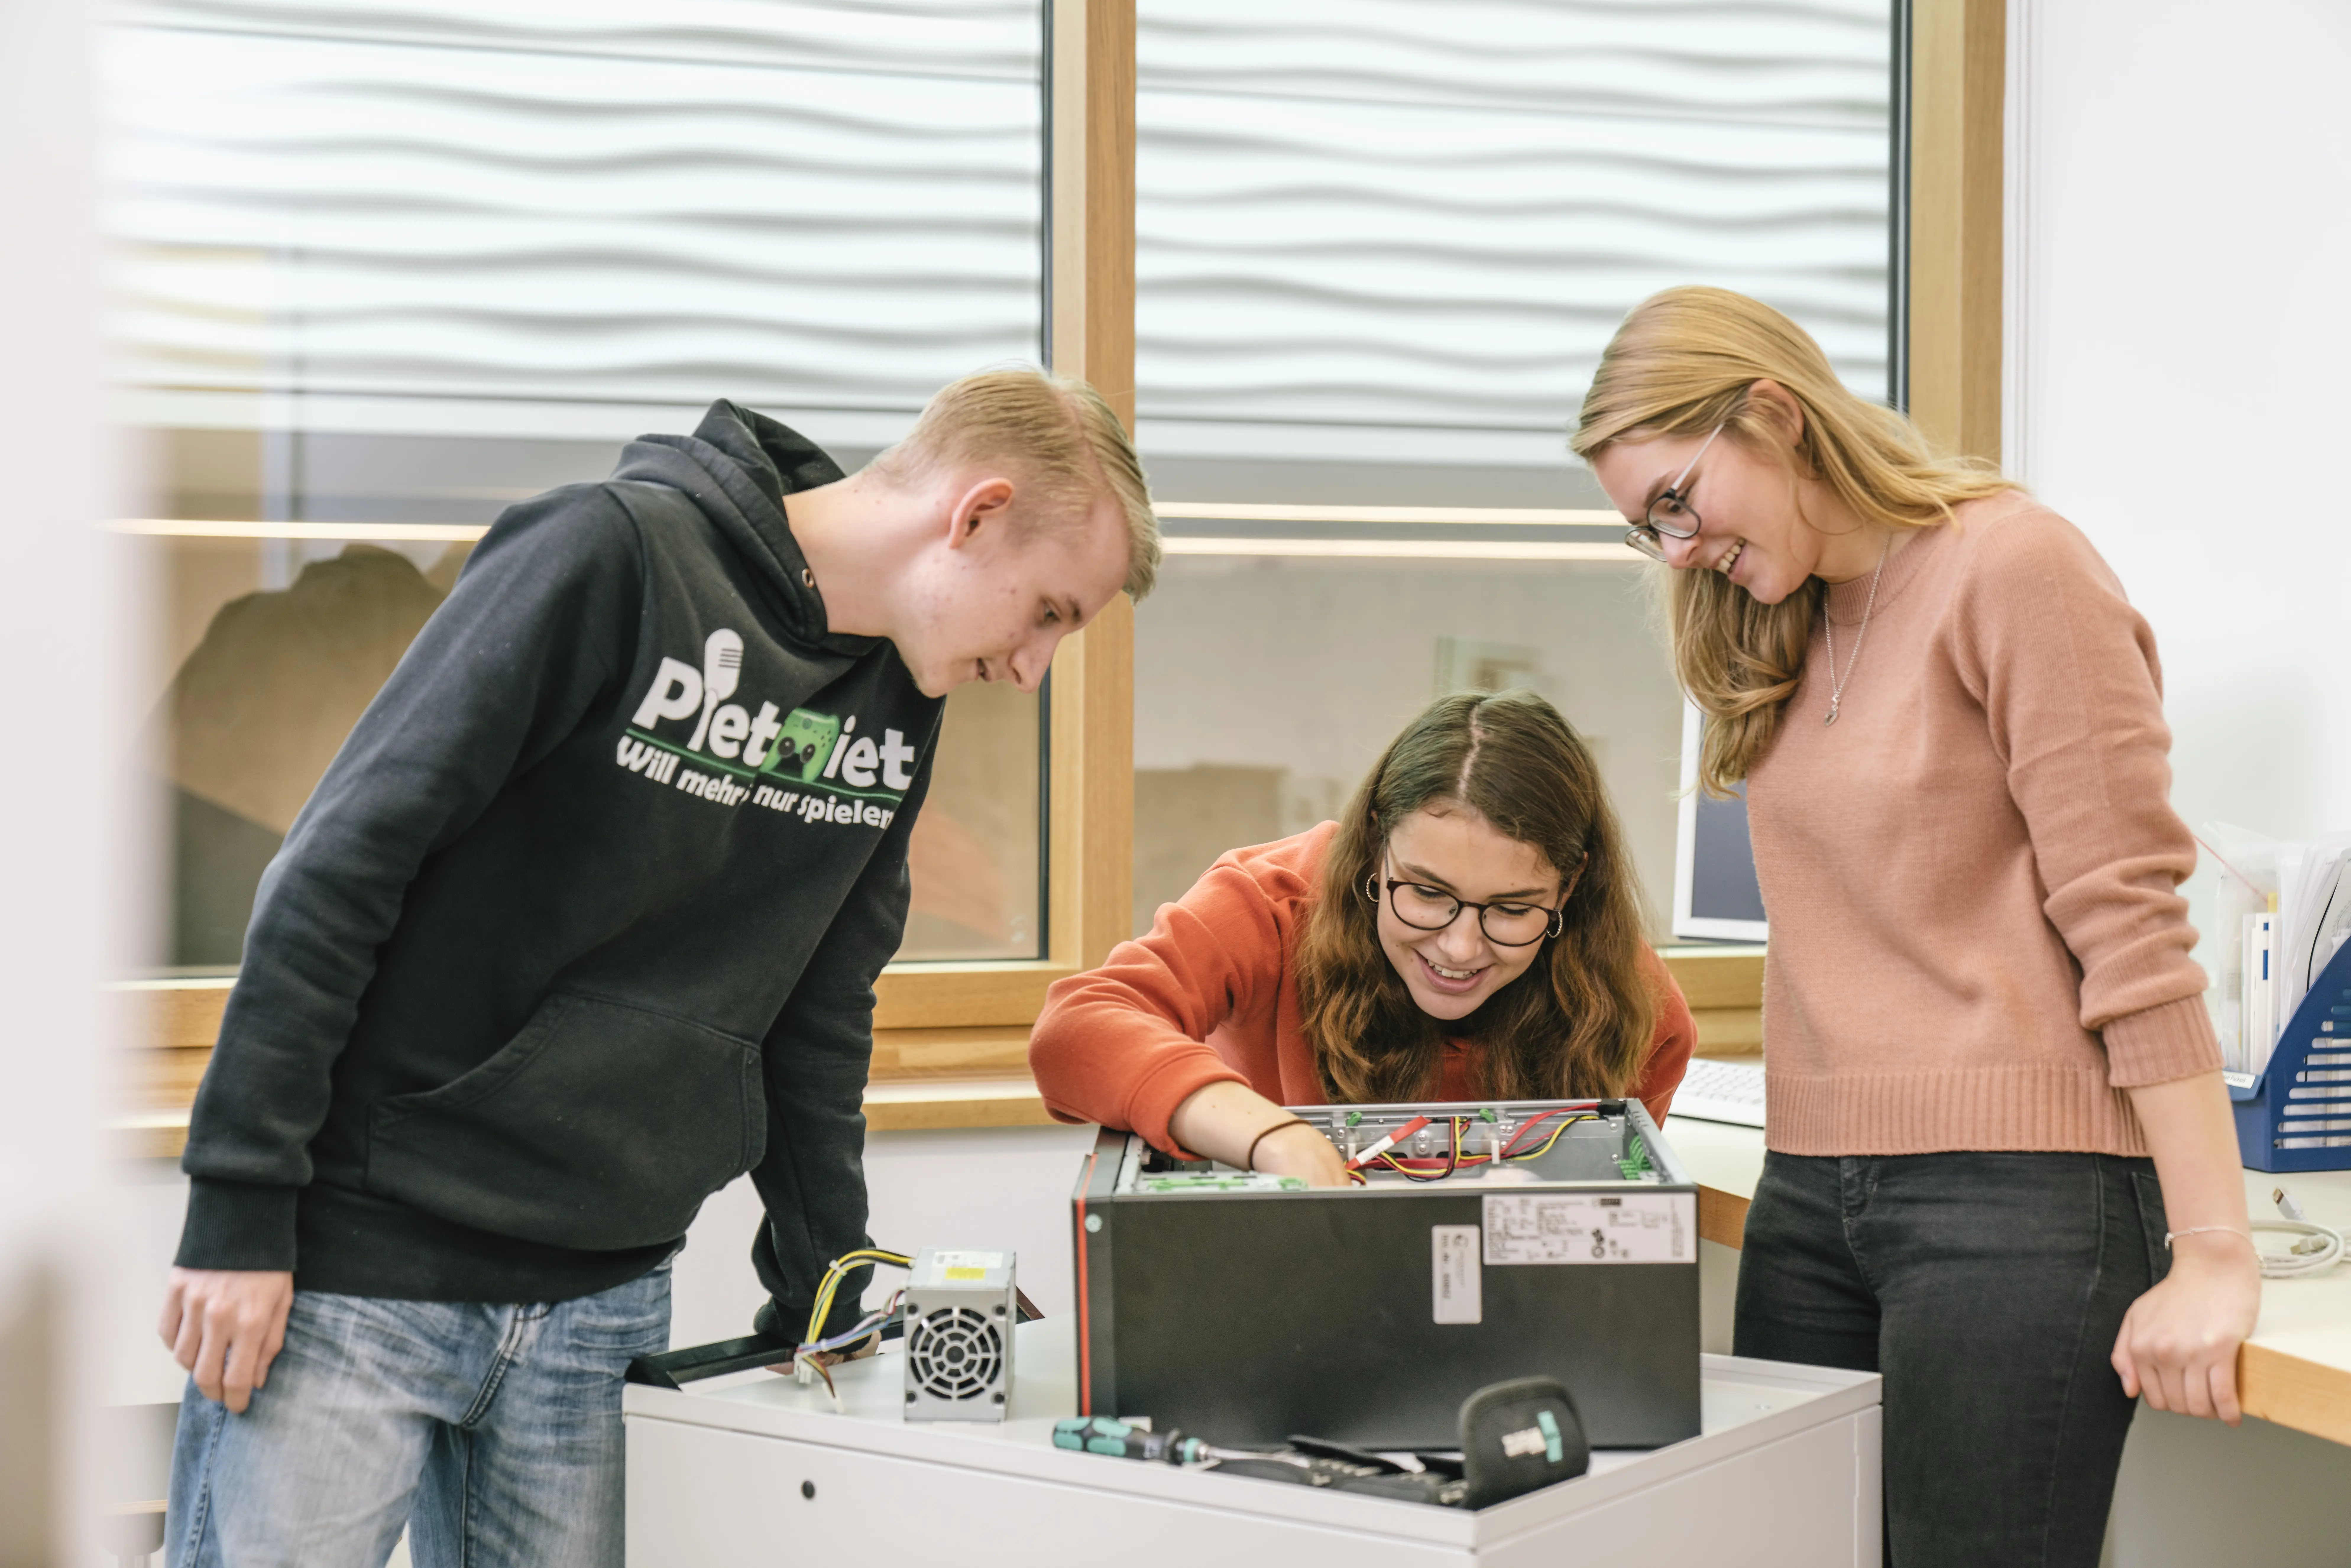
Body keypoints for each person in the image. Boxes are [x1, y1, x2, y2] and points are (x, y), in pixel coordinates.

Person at [157, 367, 1161, 1568]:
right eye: (1049, 612)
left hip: (601, 1300)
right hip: (363, 1273)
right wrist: (239, 1212)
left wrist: (822, 1284)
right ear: (976, 512)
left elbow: (820, 1007)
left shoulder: (897, 696)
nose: (1034, 664)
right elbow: (338, 871)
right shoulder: (610, 558)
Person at [1572, 285, 2258, 1566]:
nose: (1673, 550)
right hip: (1810, 1191)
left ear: (1770, 413)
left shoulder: (2011, 567)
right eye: (1642, 530)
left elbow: (2129, 925)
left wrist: (2213, 1246)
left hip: (2019, 1201)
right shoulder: (1777, 620)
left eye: (1675, 500)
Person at [1032, 690, 1696, 1184]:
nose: (1460, 948)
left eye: (1511, 909)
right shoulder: (1271, 904)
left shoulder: (1634, 1011)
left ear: (1571, 886)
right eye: (1427, 893)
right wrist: (1272, 1137)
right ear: (1376, 845)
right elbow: (1078, 1030)